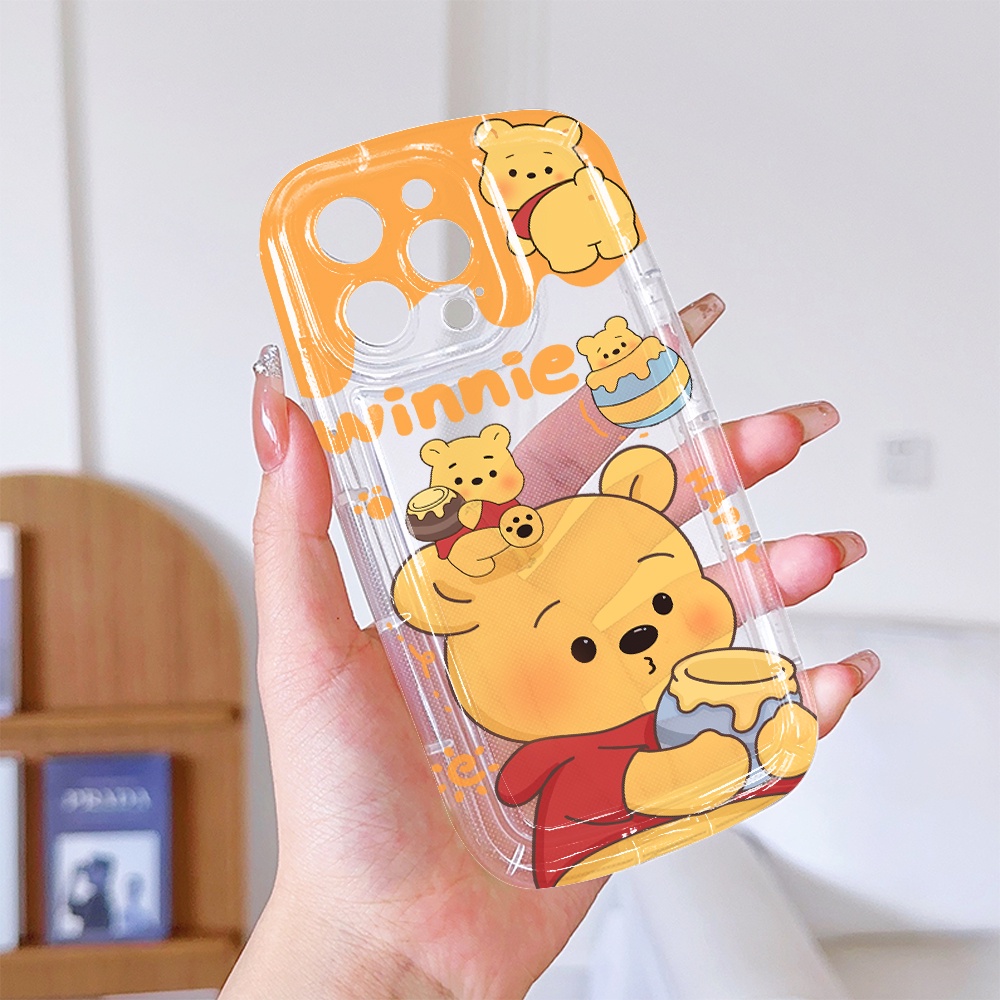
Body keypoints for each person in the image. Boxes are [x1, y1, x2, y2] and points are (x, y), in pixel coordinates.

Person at [221, 294, 878, 999]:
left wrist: (374, 951)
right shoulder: (544, 757)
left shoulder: (662, 686)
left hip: (644, 741)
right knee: (635, 766)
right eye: (586, 648)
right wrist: (364, 940)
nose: (641, 632)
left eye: (660, 603)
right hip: (593, 779)